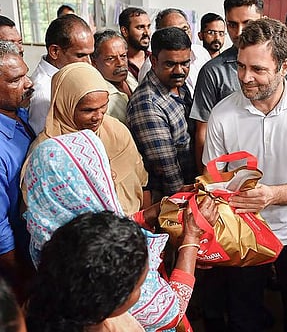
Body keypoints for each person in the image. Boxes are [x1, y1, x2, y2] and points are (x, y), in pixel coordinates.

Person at [203, 18, 287, 332]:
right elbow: (213, 180)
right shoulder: (222, 113)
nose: (246, 78)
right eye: (242, 66)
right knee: (242, 314)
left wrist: (271, 194)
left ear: (285, 65)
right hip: (242, 233)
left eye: (258, 69)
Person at [23, 129, 218, 331]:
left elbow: (105, 234)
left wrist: (156, 209)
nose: (112, 175)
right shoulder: (106, 273)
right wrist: (191, 239)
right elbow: (171, 311)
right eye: (103, 169)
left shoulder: (47, 232)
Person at [27, 62, 149, 215]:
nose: (98, 117)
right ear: (65, 104)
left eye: (103, 106)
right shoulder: (47, 152)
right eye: (88, 110)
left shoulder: (116, 131)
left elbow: (141, 182)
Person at [191, 0, 264, 172]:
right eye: (232, 24)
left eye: (247, 23)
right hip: (232, 169)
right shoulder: (213, 71)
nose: (239, 32)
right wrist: (207, 184)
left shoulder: (277, 66)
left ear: (263, 21)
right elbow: (203, 131)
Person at [128, 27, 195, 203]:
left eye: (185, 63)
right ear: (154, 60)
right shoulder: (147, 104)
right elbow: (167, 171)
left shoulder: (178, 84)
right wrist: (184, 205)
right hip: (172, 200)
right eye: (170, 64)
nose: (179, 70)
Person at [0, 41, 35, 302]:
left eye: (25, 73)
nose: (29, 83)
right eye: (16, 80)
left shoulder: (19, 115)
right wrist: (22, 281)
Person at [29, 14, 94, 134]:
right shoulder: (43, 95)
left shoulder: (72, 76)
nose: (89, 63)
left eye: (90, 55)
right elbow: (47, 144)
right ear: (54, 51)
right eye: (80, 55)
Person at [137, 8, 211, 95]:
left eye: (185, 29)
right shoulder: (151, 66)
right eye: (175, 31)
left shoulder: (201, 52)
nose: (183, 35)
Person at [91, 29, 138, 124]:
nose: (120, 63)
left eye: (123, 56)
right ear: (94, 63)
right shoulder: (99, 97)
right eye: (110, 59)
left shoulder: (128, 76)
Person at [119, 7, 151, 80]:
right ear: (125, 31)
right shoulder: (119, 64)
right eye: (140, 27)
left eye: (148, 27)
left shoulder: (155, 60)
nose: (147, 32)